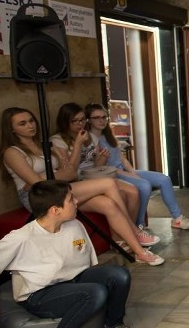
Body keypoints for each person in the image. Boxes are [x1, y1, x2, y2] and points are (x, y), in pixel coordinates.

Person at [0, 180, 146, 328]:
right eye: (71, 199)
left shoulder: (74, 225)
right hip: (40, 295)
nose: (77, 201)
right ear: (55, 210)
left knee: (119, 275)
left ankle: (113, 325)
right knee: (95, 293)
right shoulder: (21, 238)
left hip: (72, 281)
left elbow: (86, 266)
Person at [0, 107, 163, 265]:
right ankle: (133, 230)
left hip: (60, 188)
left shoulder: (45, 145)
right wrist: (46, 177)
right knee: (108, 183)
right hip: (39, 196)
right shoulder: (12, 152)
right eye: (22, 123)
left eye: (31, 121)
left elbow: (71, 173)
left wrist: (45, 176)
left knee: (108, 204)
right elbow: (37, 184)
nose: (30, 125)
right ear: (11, 129)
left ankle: (139, 252)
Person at [49, 102, 159, 246]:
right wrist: (77, 144)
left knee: (133, 191)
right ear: (65, 122)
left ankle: (123, 236)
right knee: (117, 192)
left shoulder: (90, 137)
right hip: (76, 181)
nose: (79, 124)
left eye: (82, 120)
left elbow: (95, 167)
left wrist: (102, 158)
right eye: (74, 121)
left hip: (92, 176)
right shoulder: (58, 140)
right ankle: (132, 233)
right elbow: (70, 170)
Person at [85, 103, 189, 230]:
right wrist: (130, 175)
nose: (101, 120)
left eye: (104, 117)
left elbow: (123, 159)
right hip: (111, 174)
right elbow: (102, 167)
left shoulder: (108, 136)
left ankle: (177, 218)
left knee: (164, 179)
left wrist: (132, 172)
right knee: (144, 185)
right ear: (89, 120)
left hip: (123, 170)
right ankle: (139, 223)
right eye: (97, 118)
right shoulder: (90, 140)